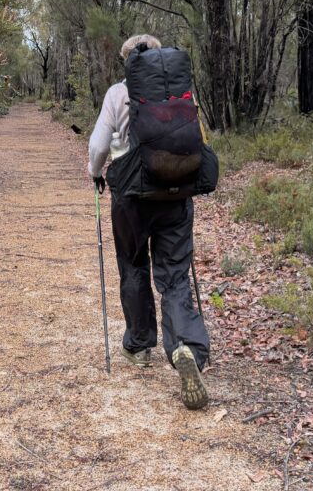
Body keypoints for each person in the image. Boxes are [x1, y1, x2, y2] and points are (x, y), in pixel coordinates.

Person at [87, 34, 211, 410]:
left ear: (127, 61)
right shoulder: (180, 93)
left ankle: (139, 346)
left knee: (134, 265)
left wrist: (95, 172)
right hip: (176, 193)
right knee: (175, 274)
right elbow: (198, 139)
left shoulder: (118, 93)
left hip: (131, 197)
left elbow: (99, 145)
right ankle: (185, 346)